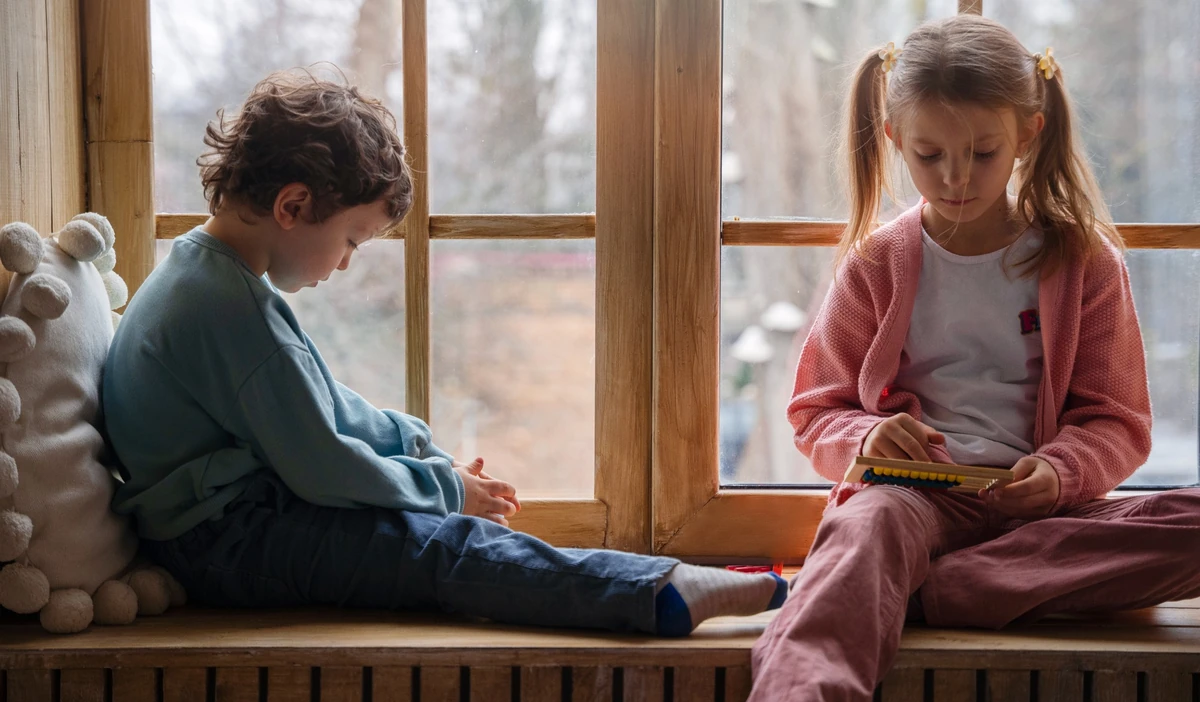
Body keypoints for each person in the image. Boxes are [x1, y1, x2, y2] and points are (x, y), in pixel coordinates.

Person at [102, 69, 786, 638]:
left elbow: (324, 404)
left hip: (237, 520)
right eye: (352, 240)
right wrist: (446, 489)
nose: (343, 264)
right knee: (436, 550)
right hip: (226, 544)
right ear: (293, 205)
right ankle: (657, 594)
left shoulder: (213, 279)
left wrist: (417, 448)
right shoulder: (224, 308)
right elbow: (320, 462)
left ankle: (644, 585)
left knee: (427, 532)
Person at [726, 14, 1200, 702]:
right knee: (863, 531)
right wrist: (868, 438)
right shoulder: (877, 264)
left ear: (1029, 135)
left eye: (982, 154)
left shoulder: (1083, 261)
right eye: (928, 155)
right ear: (892, 139)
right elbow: (817, 410)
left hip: (1040, 521)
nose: (954, 178)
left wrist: (1060, 473)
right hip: (911, 501)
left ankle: (948, 589)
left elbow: (1118, 421)